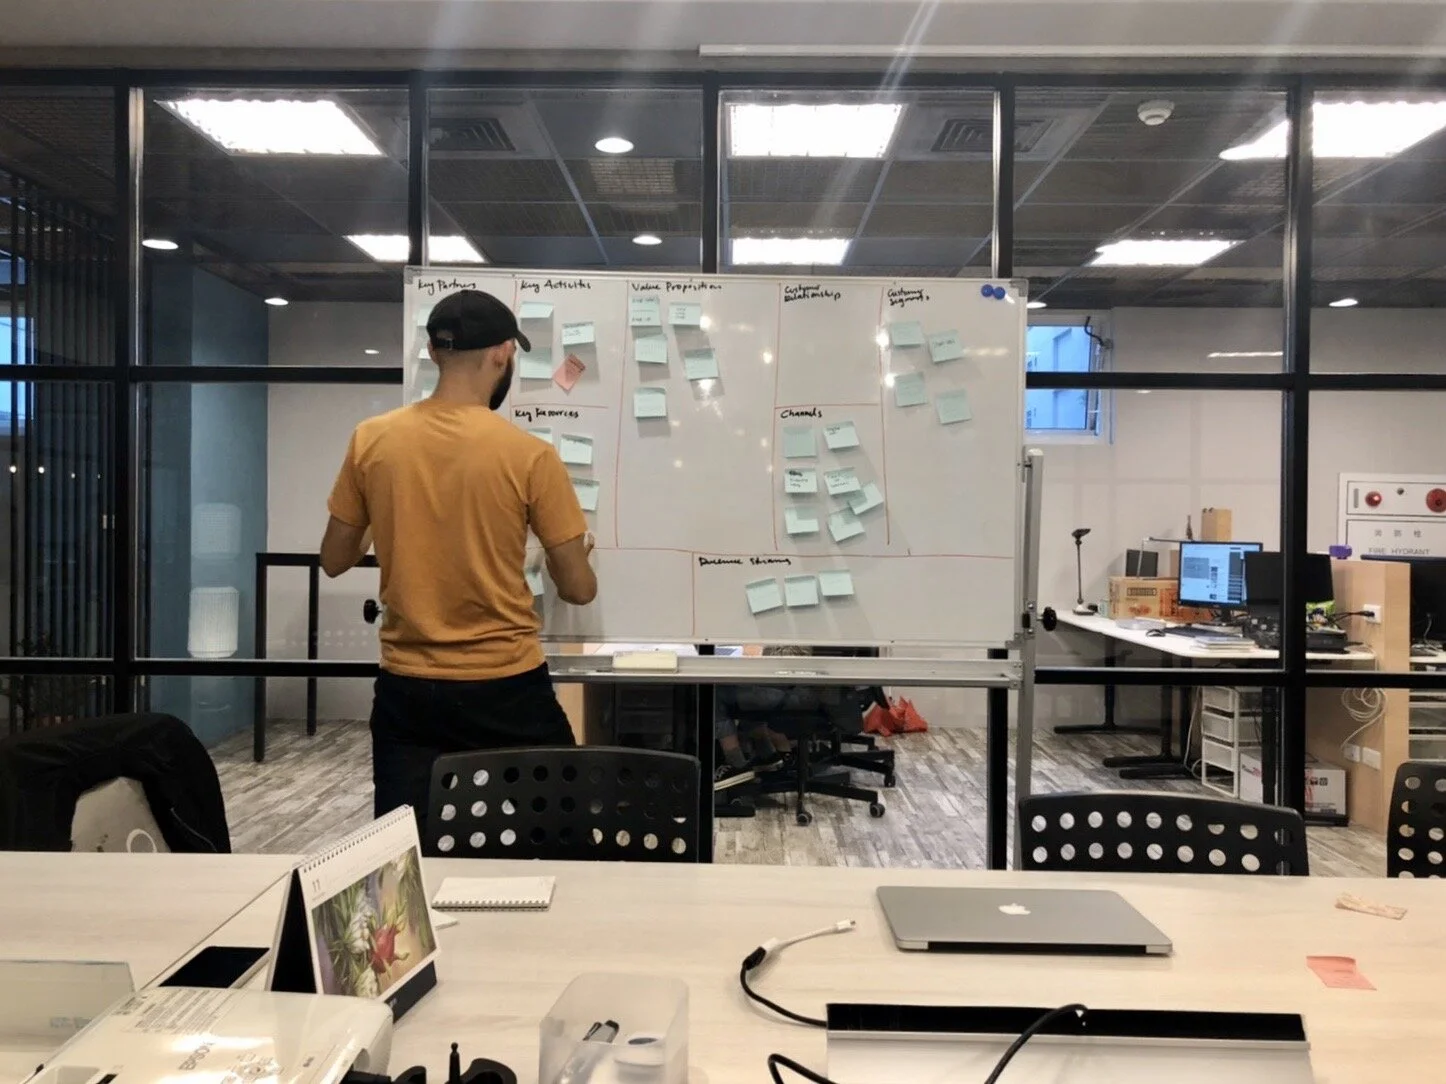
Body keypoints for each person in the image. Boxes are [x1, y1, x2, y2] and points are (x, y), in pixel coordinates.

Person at [320, 288, 597, 827]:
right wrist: (573, 555)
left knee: (409, 847)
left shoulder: (371, 441)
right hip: (508, 686)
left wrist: (389, 506)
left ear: (432, 351)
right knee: (562, 832)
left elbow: (334, 558)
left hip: (408, 689)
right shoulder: (530, 456)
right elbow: (579, 590)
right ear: (503, 353)